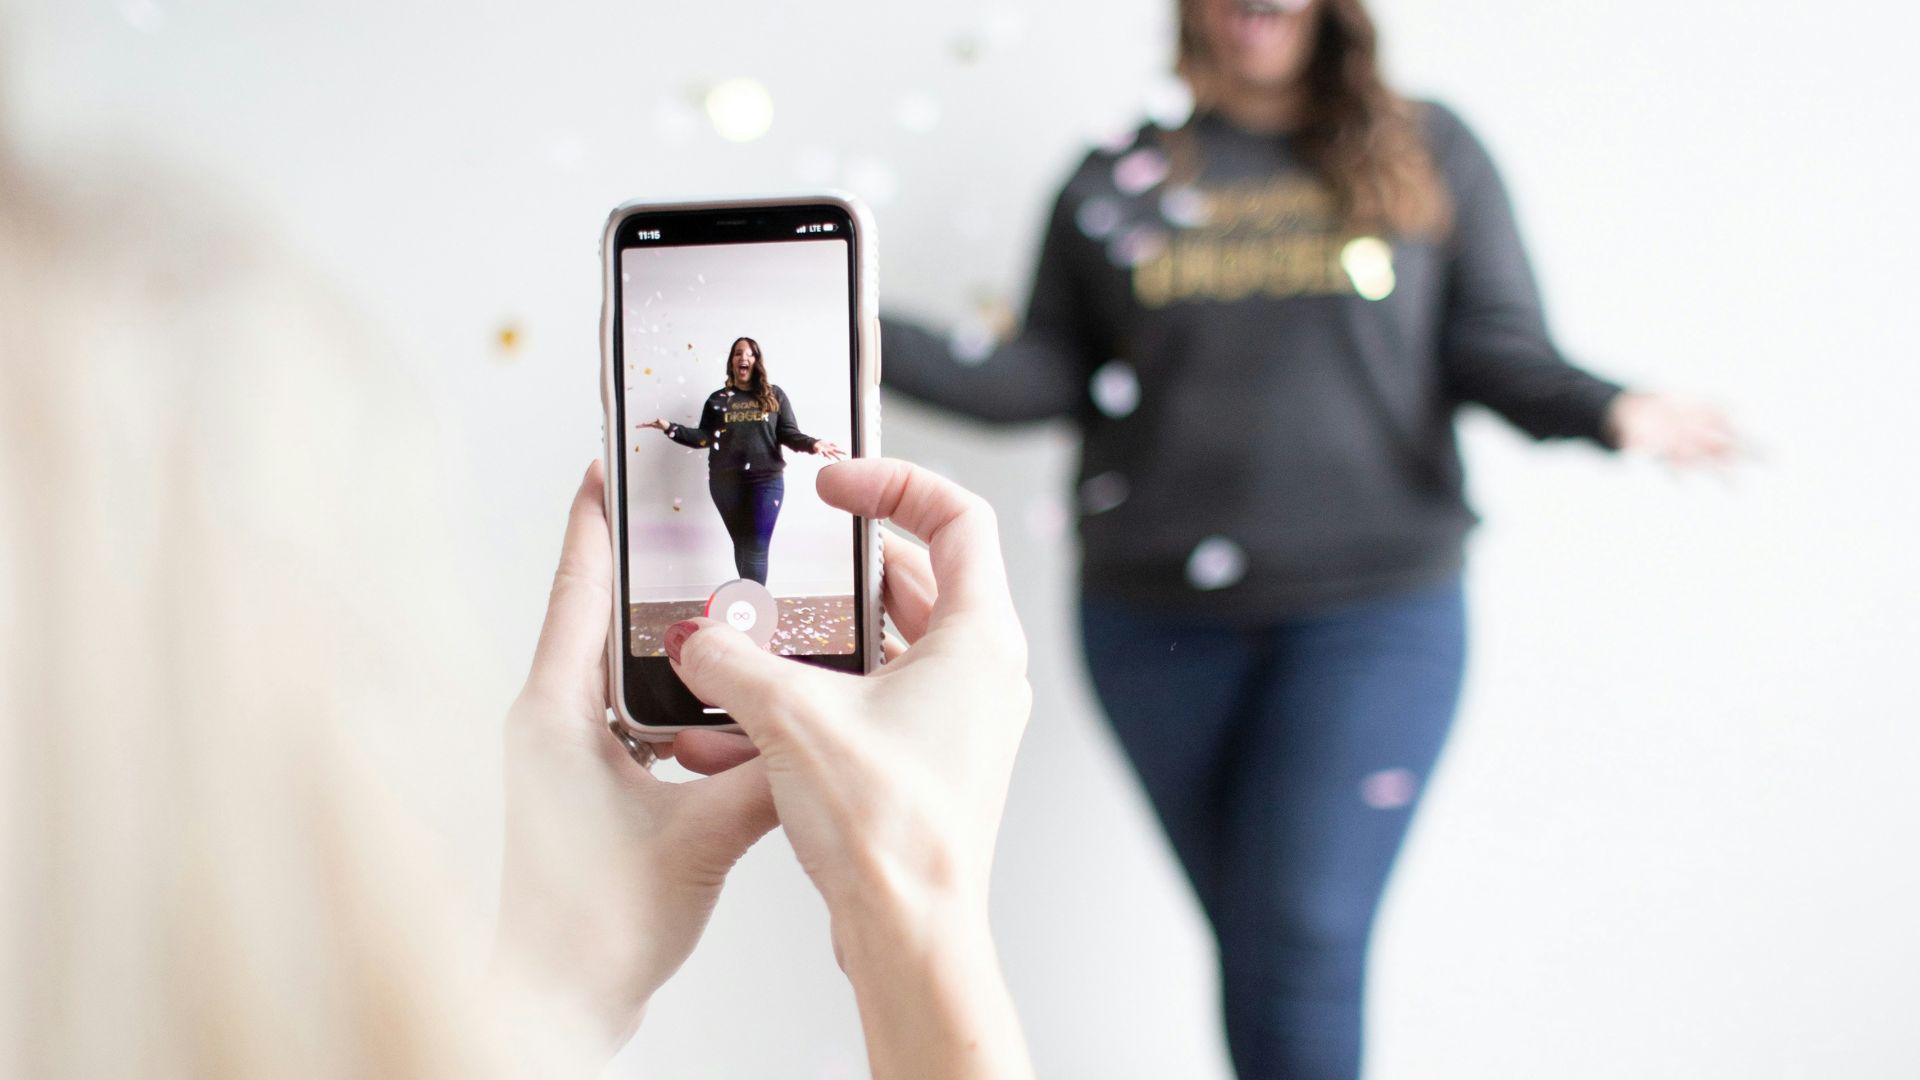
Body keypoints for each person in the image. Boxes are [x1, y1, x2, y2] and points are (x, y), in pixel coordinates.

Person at [0, 143, 1033, 1079]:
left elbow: (802, 434)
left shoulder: (768, 398)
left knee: (757, 552)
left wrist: (562, 976)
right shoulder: (725, 400)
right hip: (728, 483)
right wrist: (914, 905)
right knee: (741, 550)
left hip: (768, 483)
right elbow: (694, 430)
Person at [879, 0, 1739, 1076]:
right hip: (1154, 629)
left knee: (1303, 930)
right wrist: (849, 326)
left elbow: (1493, 347)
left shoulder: (1426, 151)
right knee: (1266, 944)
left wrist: (1605, 407)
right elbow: (1036, 375)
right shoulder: (1112, 175)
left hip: (1375, 609)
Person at [641, 335, 846, 584]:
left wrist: (813, 443)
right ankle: (746, 605)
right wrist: (669, 427)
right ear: (732, 362)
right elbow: (704, 438)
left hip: (766, 480)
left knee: (757, 546)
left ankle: (752, 606)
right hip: (725, 483)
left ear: (757, 361)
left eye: (750, 353)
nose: (744, 357)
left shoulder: (774, 396)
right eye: (738, 353)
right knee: (742, 544)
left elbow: (788, 434)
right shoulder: (717, 400)